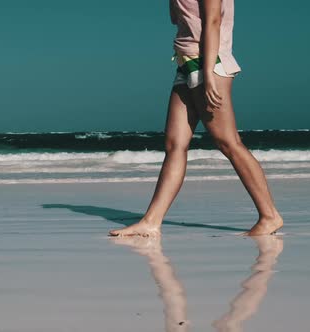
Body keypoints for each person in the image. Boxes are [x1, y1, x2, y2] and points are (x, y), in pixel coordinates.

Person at [109, 0, 283, 237]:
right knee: (174, 144)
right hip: (186, 62)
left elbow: (213, 21)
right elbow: (180, 18)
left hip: (208, 63)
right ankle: (151, 221)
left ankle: (269, 216)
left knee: (228, 142)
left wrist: (209, 73)